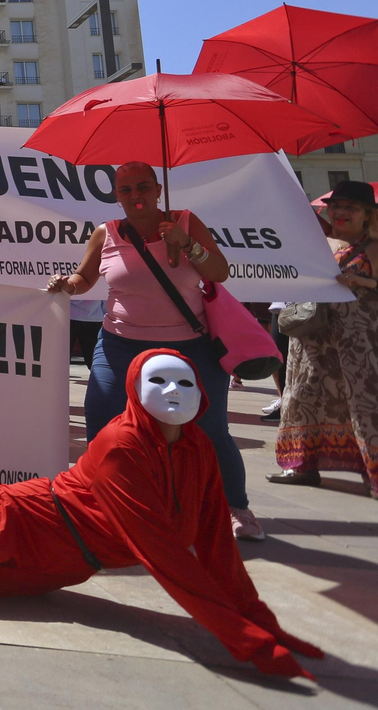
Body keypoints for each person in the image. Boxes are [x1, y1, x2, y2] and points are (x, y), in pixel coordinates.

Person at [0, 348, 325, 680]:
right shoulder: (119, 444)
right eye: (160, 381)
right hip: (17, 519)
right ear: (134, 387)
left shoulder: (200, 450)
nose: (175, 393)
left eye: (186, 383)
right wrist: (249, 643)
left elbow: (216, 544)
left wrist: (263, 622)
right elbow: (164, 553)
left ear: (204, 392)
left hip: (65, 565)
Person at [45, 161, 263, 541]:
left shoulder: (186, 222)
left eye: (143, 187)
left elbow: (219, 272)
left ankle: (236, 507)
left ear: (158, 189)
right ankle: (102, 502)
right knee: (102, 420)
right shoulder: (106, 233)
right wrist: (68, 285)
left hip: (188, 345)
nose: (136, 196)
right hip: (120, 342)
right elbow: (86, 278)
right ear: (116, 196)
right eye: (126, 190)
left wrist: (187, 244)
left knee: (210, 429)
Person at [270, 180, 378, 493]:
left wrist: (361, 281)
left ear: (367, 215)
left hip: (360, 342)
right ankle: (301, 466)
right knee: (303, 398)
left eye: (351, 208)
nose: (341, 213)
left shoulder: (373, 245)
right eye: (337, 207)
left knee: (365, 404)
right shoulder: (319, 242)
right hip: (313, 337)